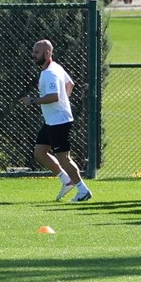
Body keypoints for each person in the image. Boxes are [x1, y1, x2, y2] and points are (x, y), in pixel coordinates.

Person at [19, 39, 91, 202]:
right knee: (40, 152)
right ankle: (67, 181)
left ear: (47, 53)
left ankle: (83, 190)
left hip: (60, 121)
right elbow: (70, 84)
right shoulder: (55, 68)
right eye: (34, 52)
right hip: (51, 120)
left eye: (37, 53)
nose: (33, 55)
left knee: (64, 158)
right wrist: (64, 101)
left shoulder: (50, 72)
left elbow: (54, 96)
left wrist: (32, 101)